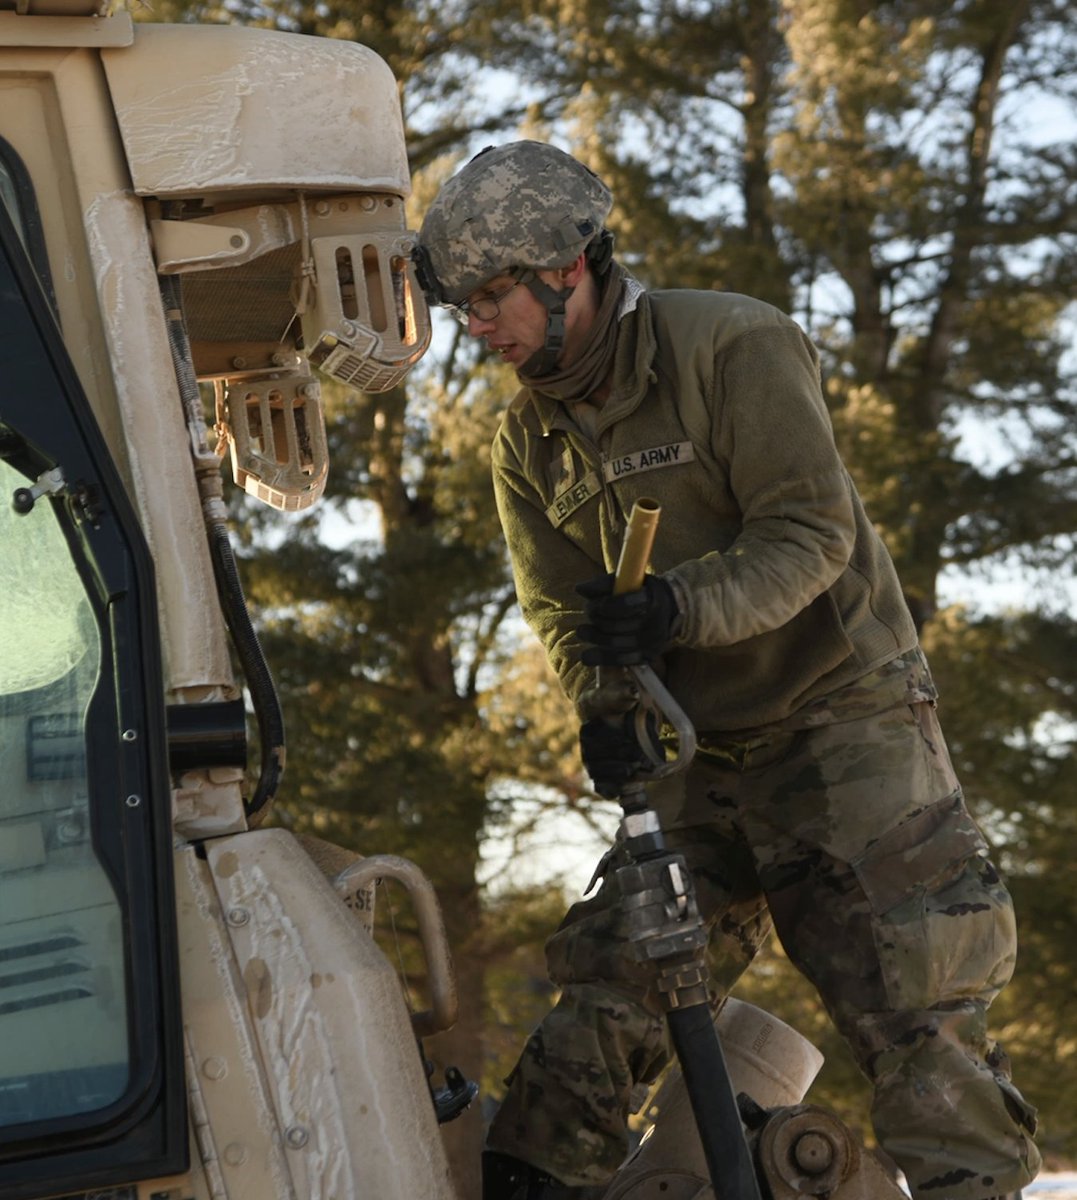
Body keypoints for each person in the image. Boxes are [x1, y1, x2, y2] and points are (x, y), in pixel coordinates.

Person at [414, 141, 1041, 1200]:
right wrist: (603, 705)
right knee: (608, 986)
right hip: (695, 754)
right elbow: (565, 615)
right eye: (464, 307)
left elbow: (810, 535)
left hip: (841, 721)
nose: (476, 329)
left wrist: (675, 606)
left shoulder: (733, 343)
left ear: (568, 270)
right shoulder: (526, 444)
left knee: (916, 1013)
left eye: (488, 299)